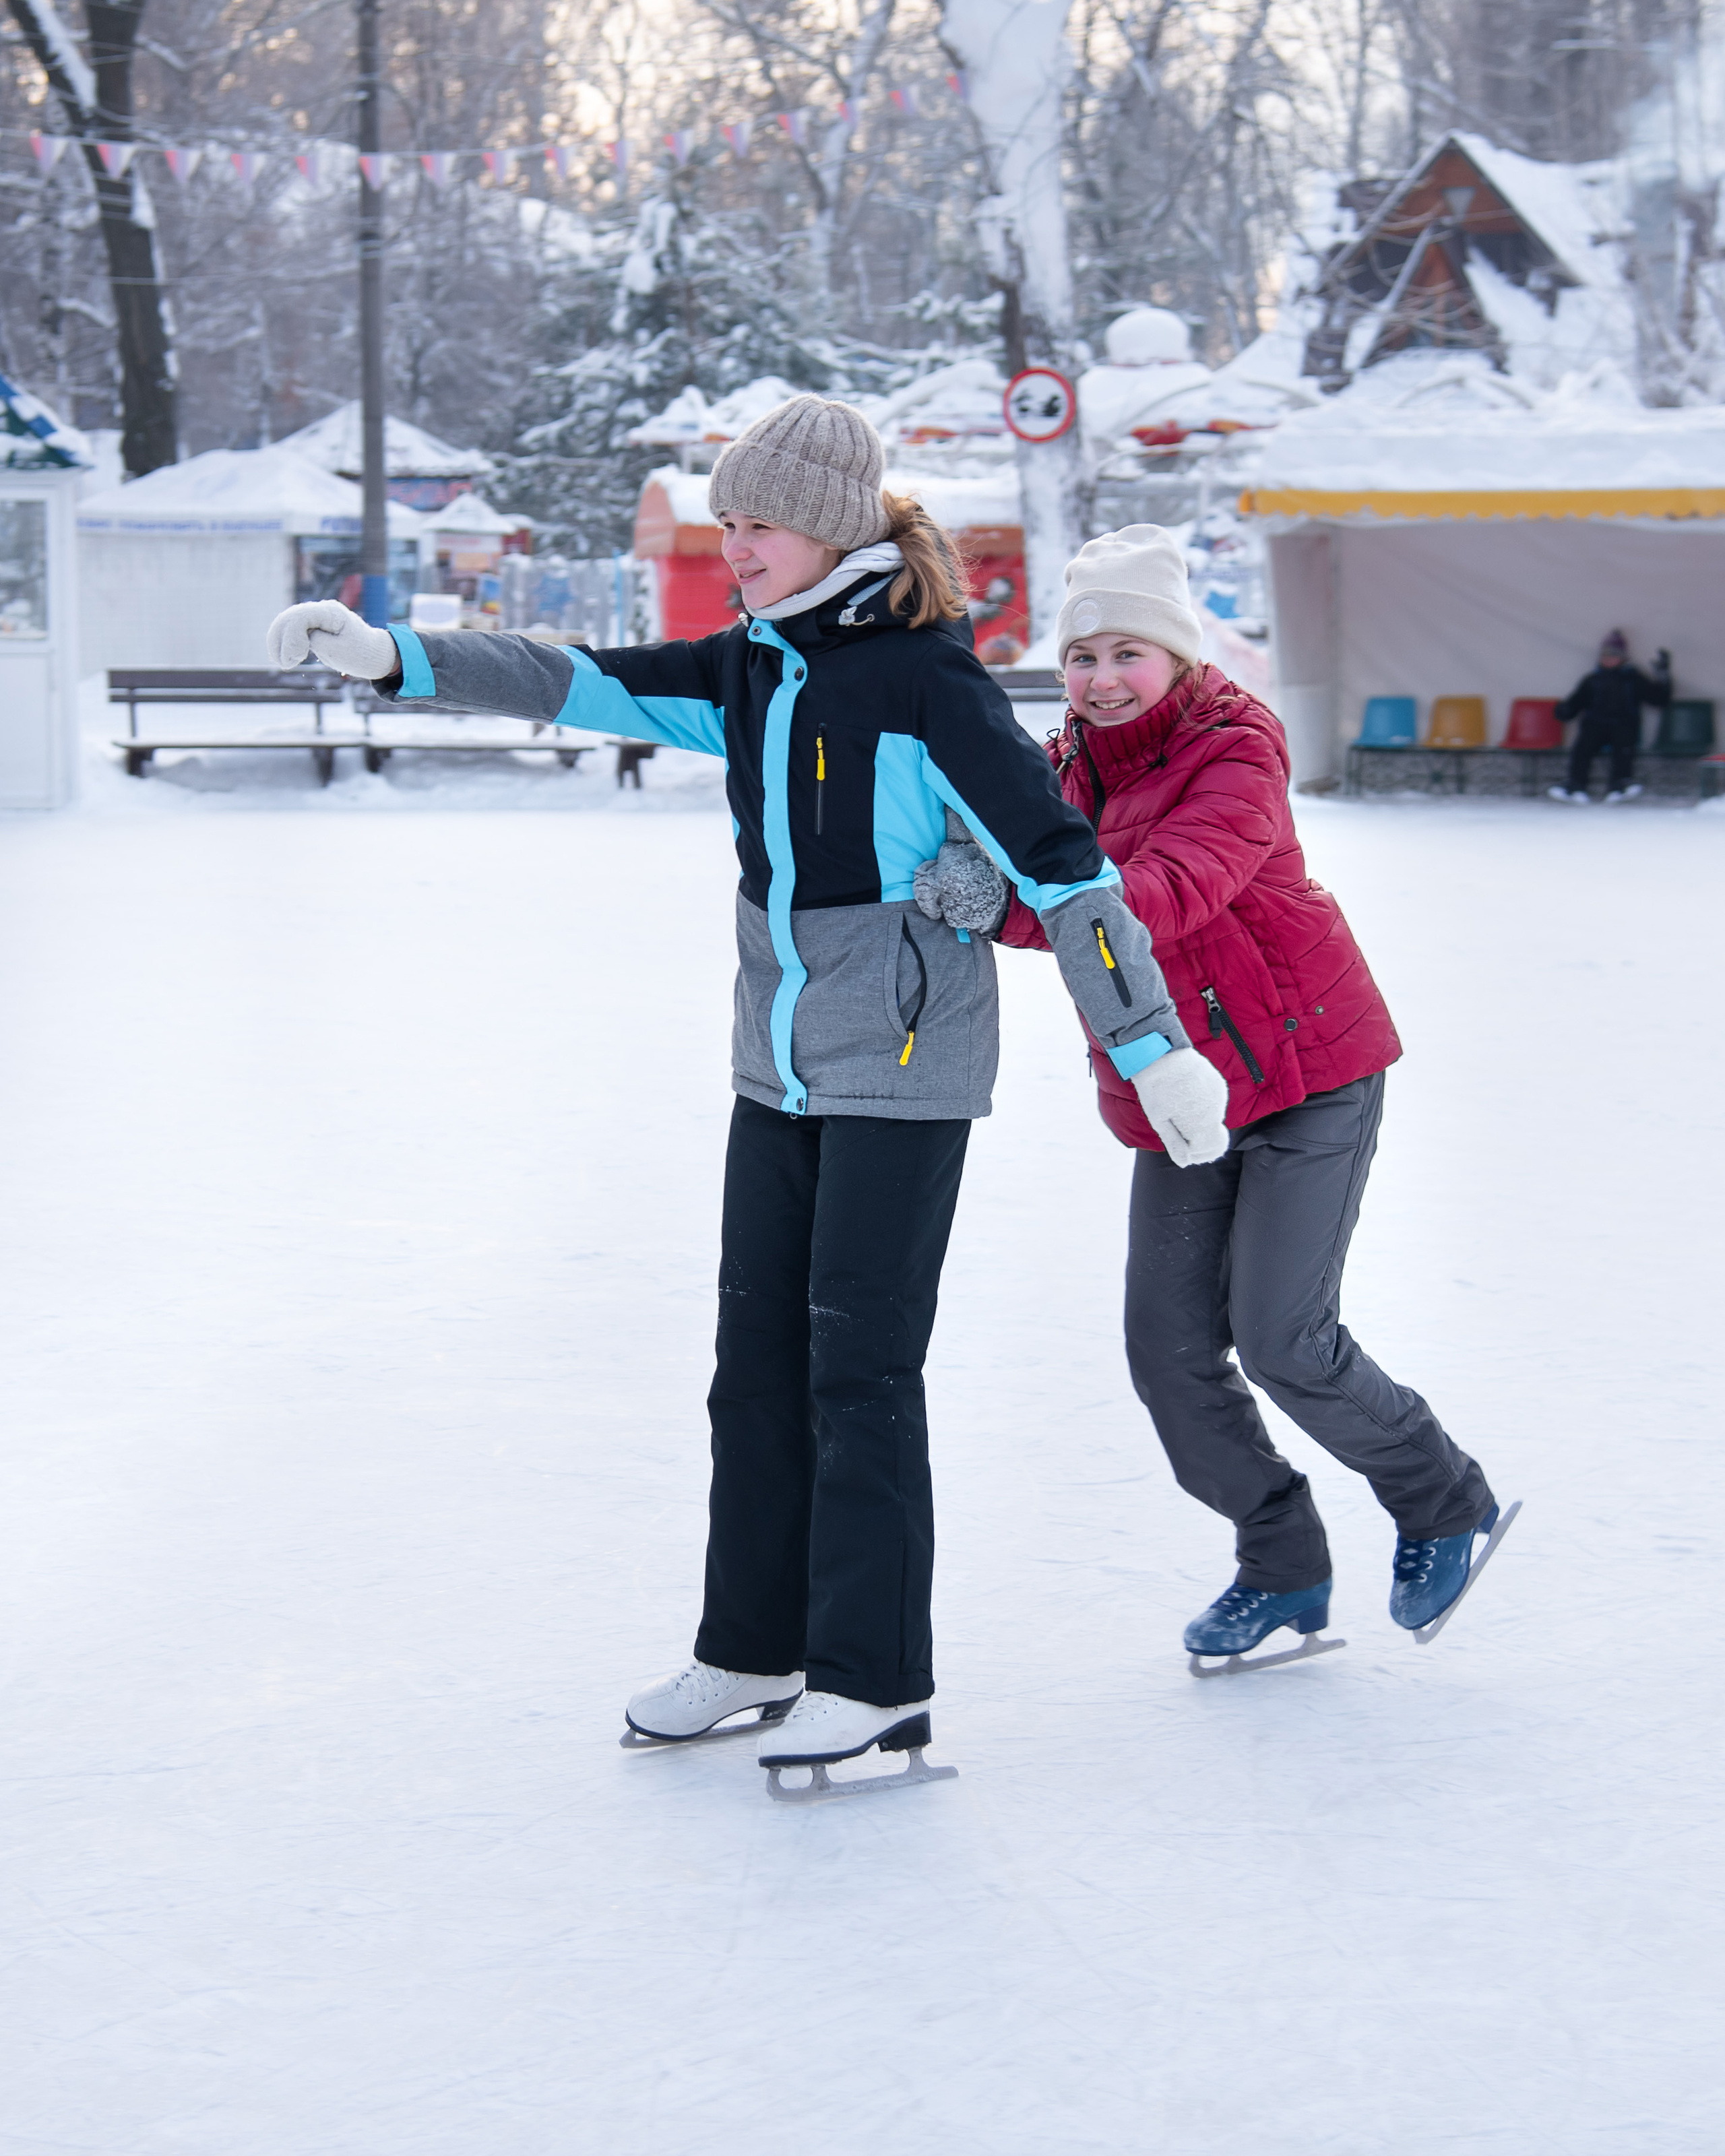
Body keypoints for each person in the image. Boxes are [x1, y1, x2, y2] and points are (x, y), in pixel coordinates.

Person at [264, 400, 1226, 1785]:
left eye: (755, 524)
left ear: (829, 525)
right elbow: (573, 676)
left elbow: (1065, 870)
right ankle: (752, 1647)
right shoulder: (748, 669)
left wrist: (1150, 1047)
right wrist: (397, 658)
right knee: (753, 1372)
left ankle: (873, 1675)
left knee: (860, 1372)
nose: (735, 549)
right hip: (772, 1068)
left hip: (901, 1069)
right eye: (726, 524)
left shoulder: (922, 683)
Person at [916, 527, 1503, 1659]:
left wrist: (997, 906)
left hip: (1307, 1070)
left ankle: (1442, 1500)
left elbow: (1160, 896)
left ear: (1180, 658)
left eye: (1128, 653)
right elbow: (968, 821)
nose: (1101, 681)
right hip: (1175, 1090)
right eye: (1082, 658)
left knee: (1283, 1335)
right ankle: (1281, 1565)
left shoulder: (1239, 750)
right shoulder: (1065, 766)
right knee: (1167, 1352)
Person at [1548, 629, 1670, 804]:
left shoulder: (1633, 679)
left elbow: (1659, 700)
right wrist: (1565, 710)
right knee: (1583, 746)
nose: (1608, 659)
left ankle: (1620, 784)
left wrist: (1664, 676)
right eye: (1605, 655)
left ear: (1622, 657)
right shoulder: (1593, 680)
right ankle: (1576, 785)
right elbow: (1577, 701)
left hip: (1624, 724)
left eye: (1614, 655)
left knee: (1624, 745)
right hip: (1595, 724)